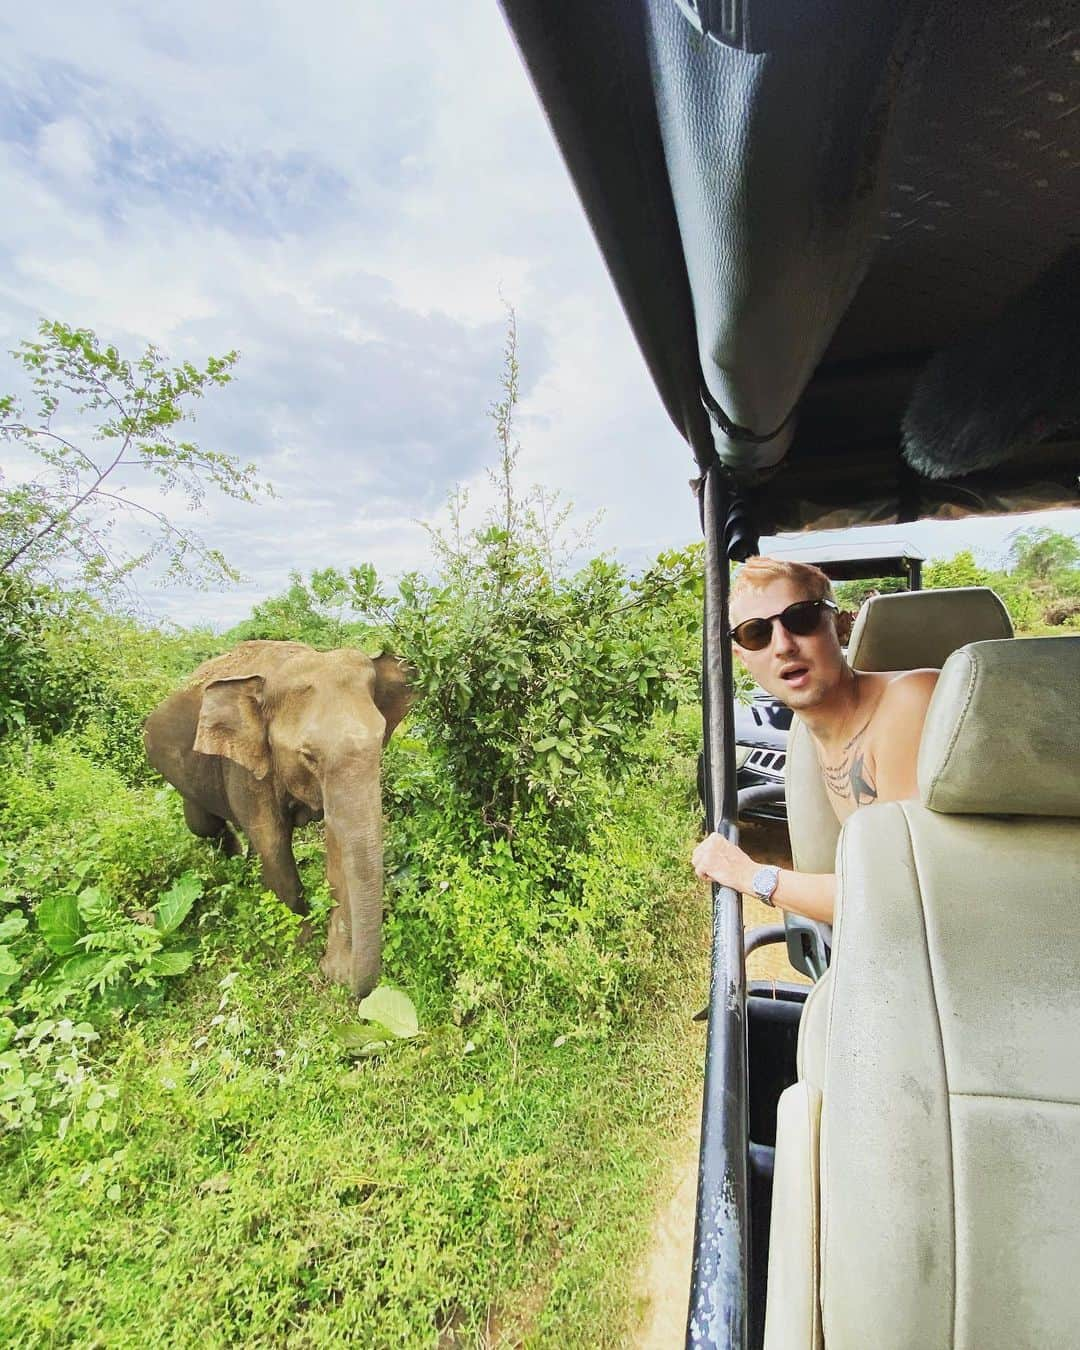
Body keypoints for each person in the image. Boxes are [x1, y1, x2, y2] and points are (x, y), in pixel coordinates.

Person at [691, 556, 938, 924]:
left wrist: (750, 875)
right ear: (742, 656)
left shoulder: (909, 702)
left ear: (838, 625)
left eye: (801, 618)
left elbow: (897, 898)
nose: (783, 645)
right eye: (756, 633)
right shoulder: (812, 733)